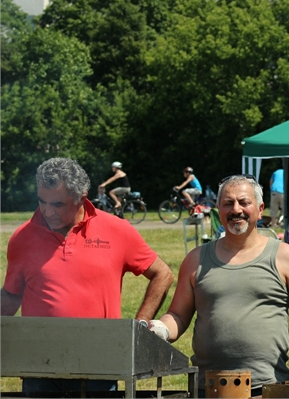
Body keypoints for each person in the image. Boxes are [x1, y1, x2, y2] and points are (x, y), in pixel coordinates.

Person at [147, 175, 289, 396]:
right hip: (207, 389)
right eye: (228, 203)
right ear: (218, 209)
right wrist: (161, 329)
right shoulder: (196, 259)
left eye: (244, 202)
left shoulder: (285, 257)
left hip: (266, 389)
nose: (236, 210)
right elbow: (178, 315)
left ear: (260, 209)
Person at [1, 157, 174, 395]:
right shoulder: (22, 238)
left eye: (58, 204)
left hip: (100, 366)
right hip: (39, 367)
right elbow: (11, 297)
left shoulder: (116, 230)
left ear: (81, 198)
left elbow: (162, 274)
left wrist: (141, 327)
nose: (47, 211)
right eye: (42, 201)